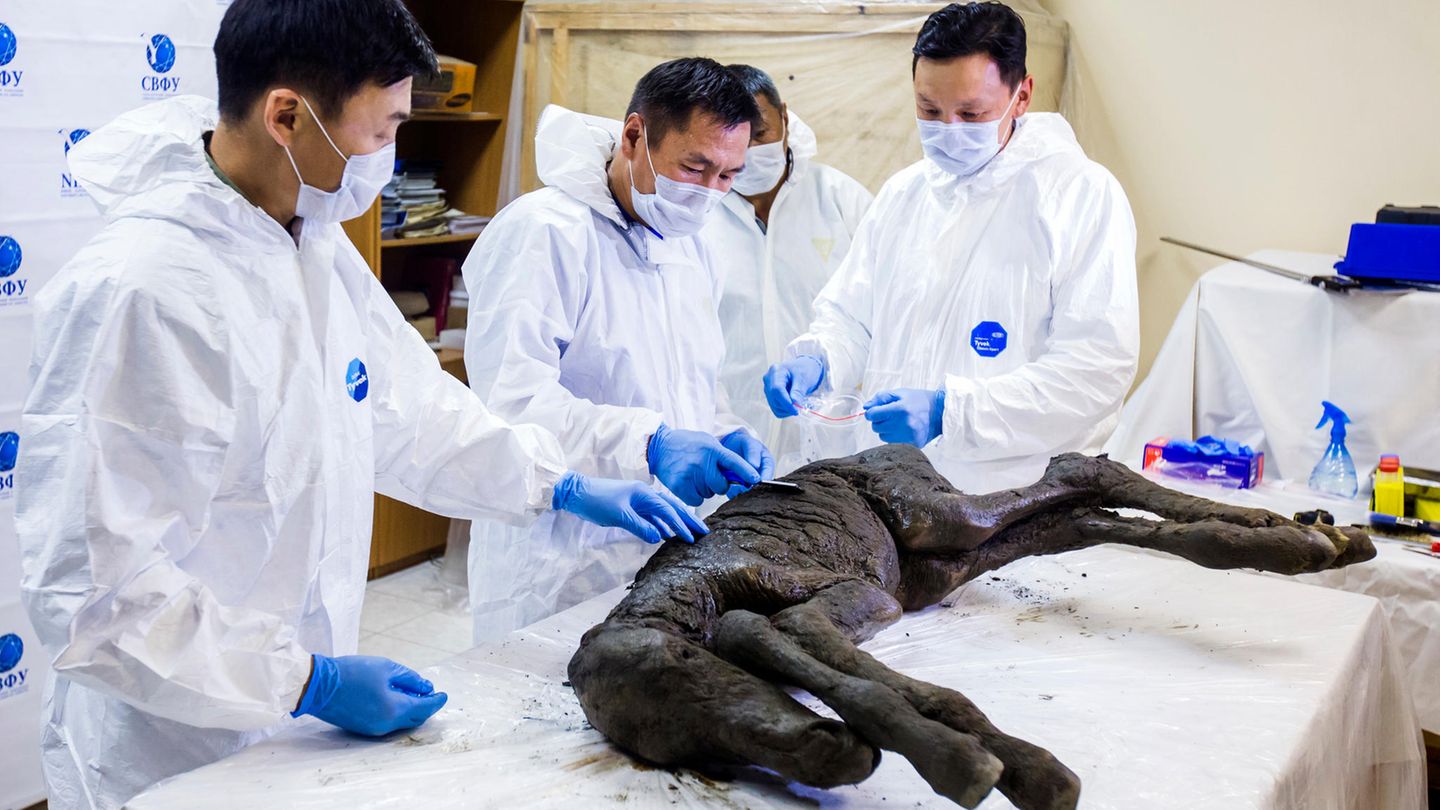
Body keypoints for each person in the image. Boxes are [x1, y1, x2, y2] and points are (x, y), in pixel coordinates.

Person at [15, 2, 702, 807]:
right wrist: (311, 680)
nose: (390, 155)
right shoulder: (142, 290)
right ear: (286, 115)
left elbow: (413, 415)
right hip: (164, 743)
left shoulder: (305, 241)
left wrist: (561, 484)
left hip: (287, 714)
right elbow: (96, 597)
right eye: (383, 130)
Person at [763, 1, 1139, 493]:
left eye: (971, 113)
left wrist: (951, 412)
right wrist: (820, 358)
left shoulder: (1079, 196)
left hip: (1017, 499)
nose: (948, 131)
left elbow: (1094, 369)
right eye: (929, 110)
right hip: (895, 490)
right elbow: (852, 318)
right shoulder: (905, 194)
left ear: (1021, 95)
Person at [462, 58, 775, 642]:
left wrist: (723, 430)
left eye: (727, 176)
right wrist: (649, 442)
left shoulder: (694, 243)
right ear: (634, 136)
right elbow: (511, 405)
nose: (707, 195)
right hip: (561, 557)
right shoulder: (545, 233)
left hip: (669, 551)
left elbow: (694, 381)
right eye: (694, 167)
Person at [703, 65, 874, 471]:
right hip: (728, 443)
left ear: (784, 115)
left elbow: (881, 310)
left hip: (834, 442)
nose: (747, 154)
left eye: (759, 134)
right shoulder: (697, 214)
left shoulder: (841, 201)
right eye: (735, 139)